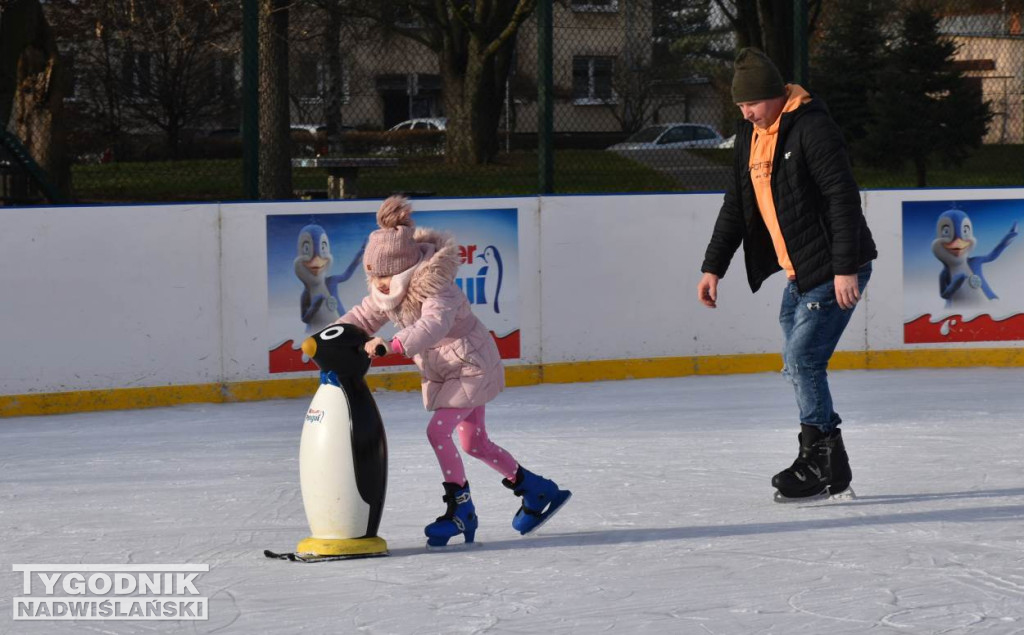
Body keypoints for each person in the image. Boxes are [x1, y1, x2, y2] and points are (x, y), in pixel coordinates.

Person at [334, 195, 571, 546]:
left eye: (387, 274)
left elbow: (433, 325)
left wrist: (393, 344)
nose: (381, 283)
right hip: (449, 368)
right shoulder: (390, 292)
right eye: (375, 275)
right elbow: (364, 315)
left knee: (438, 433)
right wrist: (331, 336)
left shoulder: (437, 288)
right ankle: (537, 490)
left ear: (405, 267)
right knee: (474, 442)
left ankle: (461, 512)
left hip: (470, 365)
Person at [696, 48, 877, 502]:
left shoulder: (813, 128)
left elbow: (842, 198)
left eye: (750, 104)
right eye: (739, 106)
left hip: (834, 268)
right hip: (799, 273)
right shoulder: (751, 135)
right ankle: (827, 462)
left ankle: (820, 461)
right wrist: (713, 265)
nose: (745, 112)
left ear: (774, 96)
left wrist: (845, 268)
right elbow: (736, 205)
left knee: (802, 360)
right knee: (798, 365)